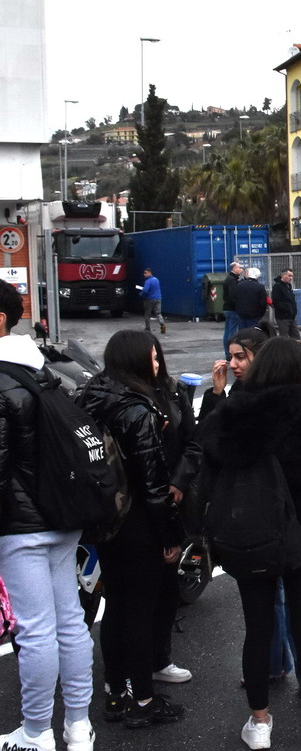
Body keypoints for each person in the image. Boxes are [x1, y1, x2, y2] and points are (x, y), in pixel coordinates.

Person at [198, 338, 301, 749]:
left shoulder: (236, 411)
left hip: (249, 534)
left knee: (257, 627)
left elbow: (207, 454)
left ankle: (260, 723)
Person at [0, 280, 95, 751]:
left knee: (34, 631)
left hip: (19, 525)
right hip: (64, 512)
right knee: (69, 623)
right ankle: (79, 727)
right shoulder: (42, 371)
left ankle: (36, 733)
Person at [76, 330, 186, 729]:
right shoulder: (138, 410)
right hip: (138, 521)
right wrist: (171, 537)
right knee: (140, 611)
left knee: (116, 608)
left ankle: (115, 695)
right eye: (153, 358)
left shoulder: (90, 396)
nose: (158, 365)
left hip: (104, 519)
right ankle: (143, 699)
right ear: (137, 361)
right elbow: (153, 485)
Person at [149, 336, 201, 688]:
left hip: (173, 501)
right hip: (137, 508)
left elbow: (193, 442)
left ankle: (160, 658)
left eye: (156, 357)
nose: (154, 365)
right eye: (147, 359)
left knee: (168, 586)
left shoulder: (173, 391)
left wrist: (180, 483)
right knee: (135, 593)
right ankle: (124, 672)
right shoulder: (118, 399)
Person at [199, 327, 267, 421]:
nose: (232, 364)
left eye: (240, 357)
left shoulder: (271, 395)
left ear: (260, 357)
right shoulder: (240, 386)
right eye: (231, 357)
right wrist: (217, 392)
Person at [232, 268, 268, 332]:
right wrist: (261, 313)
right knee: (252, 333)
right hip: (255, 315)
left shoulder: (239, 285)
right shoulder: (260, 287)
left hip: (241, 314)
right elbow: (263, 303)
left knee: (242, 332)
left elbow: (234, 299)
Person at [272, 268, 301, 341]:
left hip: (291, 317)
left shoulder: (288, 286)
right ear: (283, 275)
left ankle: (296, 351)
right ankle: (284, 351)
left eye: (292, 276)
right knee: (284, 338)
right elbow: (276, 302)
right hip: (283, 317)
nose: (291, 278)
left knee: (296, 337)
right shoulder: (277, 286)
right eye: (289, 276)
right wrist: (287, 309)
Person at [222, 261, 244, 360]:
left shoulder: (230, 279)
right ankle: (230, 353)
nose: (241, 269)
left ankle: (228, 353)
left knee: (228, 332)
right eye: (239, 268)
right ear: (234, 269)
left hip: (227, 308)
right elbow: (232, 295)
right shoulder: (232, 280)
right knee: (231, 332)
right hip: (232, 309)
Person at [141, 268, 165, 334]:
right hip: (158, 298)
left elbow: (145, 290)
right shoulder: (156, 279)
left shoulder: (148, 281)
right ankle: (162, 325)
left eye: (145, 273)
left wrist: (141, 294)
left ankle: (147, 328)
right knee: (158, 313)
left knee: (147, 314)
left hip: (150, 299)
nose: (144, 274)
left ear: (149, 273)